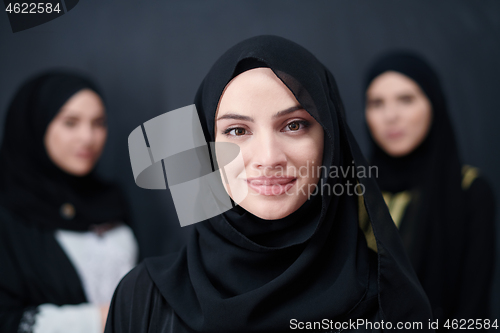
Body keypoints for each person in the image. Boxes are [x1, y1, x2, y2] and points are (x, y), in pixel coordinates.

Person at [105, 36, 433, 333]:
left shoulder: (388, 305)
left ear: (331, 142)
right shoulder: (143, 297)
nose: (268, 157)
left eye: (293, 125)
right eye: (236, 131)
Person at [362, 52, 496, 327]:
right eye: (376, 103)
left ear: (433, 103)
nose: (390, 116)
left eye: (406, 99)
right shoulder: (354, 190)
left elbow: (472, 312)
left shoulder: (470, 191)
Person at [0, 71, 138, 333]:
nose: (88, 137)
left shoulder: (109, 199)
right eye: (70, 122)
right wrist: (107, 317)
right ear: (36, 124)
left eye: (98, 123)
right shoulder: (9, 214)